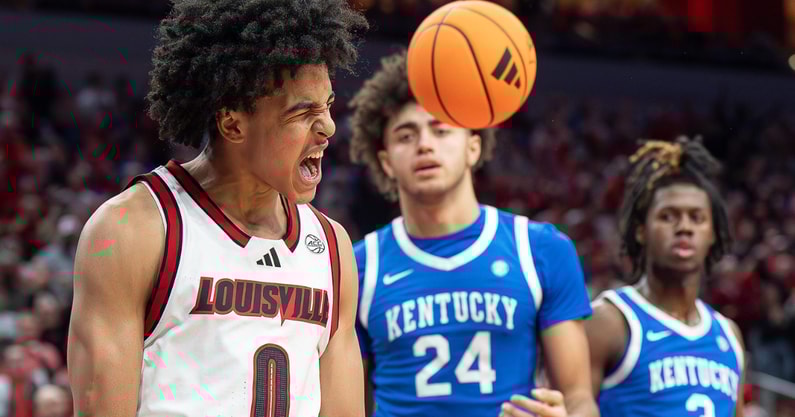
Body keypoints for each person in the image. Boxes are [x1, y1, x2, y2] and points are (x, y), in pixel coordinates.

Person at [66, 1, 369, 416]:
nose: (328, 127)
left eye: (328, 105)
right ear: (233, 124)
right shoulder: (135, 228)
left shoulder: (332, 247)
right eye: (304, 112)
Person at [347, 51, 598, 417]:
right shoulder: (356, 268)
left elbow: (578, 400)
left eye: (441, 129)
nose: (425, 144)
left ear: (474, 145)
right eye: (406, 135)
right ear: (386, 161)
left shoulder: (541, 250)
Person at [586, 137, 746, 417]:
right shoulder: (609, 321)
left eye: (697, 218)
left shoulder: (729, 335)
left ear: (713, 234)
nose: (684, 227)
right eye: (668, 216)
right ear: (640, 230)